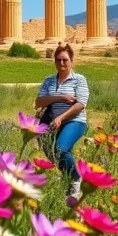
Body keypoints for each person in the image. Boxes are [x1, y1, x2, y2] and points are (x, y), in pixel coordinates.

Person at [34, 44, 90, 201]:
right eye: (58, 60)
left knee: (60, 148)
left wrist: (61, 118)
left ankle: (76, 179)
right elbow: (39, 102)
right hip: (52, 122)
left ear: (71, 61)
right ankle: (68, 181)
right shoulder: (49, 81)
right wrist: (60, 97)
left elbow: (81, 104)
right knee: (52, 151)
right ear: (54, 62)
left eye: (65, 60)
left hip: (75, 121)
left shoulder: (79, 80)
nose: (62, 63)